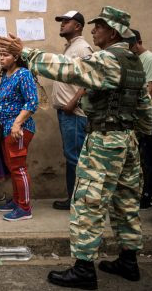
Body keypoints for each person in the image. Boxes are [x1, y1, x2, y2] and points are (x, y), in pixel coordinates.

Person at [0, 6, 152, 289]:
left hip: (105, 140)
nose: (94, 30)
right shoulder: (133, 61)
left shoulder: (107, 58)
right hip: (128, 141)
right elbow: (145, 109)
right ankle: (129, 262)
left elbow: (69, 70)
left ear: (113, 32)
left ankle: (83, 270)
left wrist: (27, 53)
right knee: (126, 203)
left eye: (99, 27)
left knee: (87, 203)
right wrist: (135, 135)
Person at [52, 11, 93, 210]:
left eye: (66, 21)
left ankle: (79, 202)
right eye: (62, 21)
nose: (62, 24)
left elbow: (90, 79)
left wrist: (73, 103)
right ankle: (73, 199)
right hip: (66, 112)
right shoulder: (71, 47)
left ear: (77, 26)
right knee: (71, 156)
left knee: (75, 157)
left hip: (74, 114)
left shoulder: (83, 48)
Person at [0, 49, 38, 221]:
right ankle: (17, 201)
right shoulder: (6, 75)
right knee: (12, 166)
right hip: (5, 129)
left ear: (16, 57)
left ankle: (25, 208)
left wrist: (17, 123)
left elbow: (32, 102)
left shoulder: (24, 74)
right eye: (1, 54)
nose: (1, 57)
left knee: (19, 168)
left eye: (5, 55)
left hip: (18, 129)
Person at [128, 29, 152, 210]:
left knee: (147, 158)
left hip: (146, 118)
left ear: (138, 42)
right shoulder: (133, 60)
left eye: (130, 45)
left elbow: (151, 89)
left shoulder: (150, 59)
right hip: (133, 117)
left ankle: (149, 195)